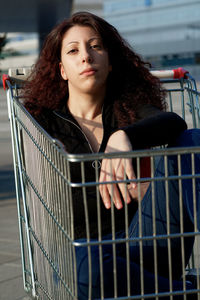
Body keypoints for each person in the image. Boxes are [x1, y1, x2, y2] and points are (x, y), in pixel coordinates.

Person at [22, 11, 200, 299]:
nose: (86, 56)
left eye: (96, 46)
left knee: (193, 140)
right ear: (62, 70)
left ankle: (160, 291)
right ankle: (180, 294)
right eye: (73, 50)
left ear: (110, 61)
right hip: (86, 256)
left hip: (142, 240)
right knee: (88, 268)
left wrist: (124, 136)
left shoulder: (126, 111)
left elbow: (174, 124)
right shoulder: (42, 123)